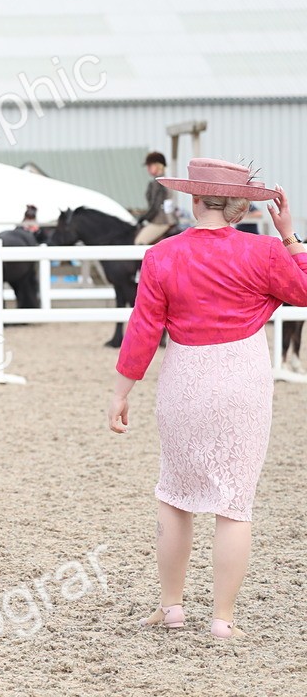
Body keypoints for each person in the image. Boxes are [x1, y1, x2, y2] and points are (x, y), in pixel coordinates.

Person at [107, 158, 307, 639]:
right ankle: (222, 619)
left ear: (193, 199)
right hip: (242, 376)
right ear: (240, 207)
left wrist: (121, 392)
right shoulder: (262, 251)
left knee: (174, 496)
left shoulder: (161, 255)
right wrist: (289, 235)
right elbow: (303, 290)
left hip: (186, 375)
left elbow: (142, 331)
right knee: (233, 505)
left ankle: (172, 607)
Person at [135, 151, 177, 244]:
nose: (148, 169)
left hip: (161, 221)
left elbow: (155, 206)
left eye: (150, 166)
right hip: (168, 219)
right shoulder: (165, 180)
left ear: (158, 165)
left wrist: (144, 218)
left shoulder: (158, 183)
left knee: (139, 242)